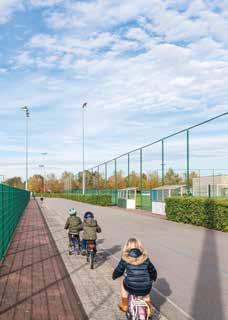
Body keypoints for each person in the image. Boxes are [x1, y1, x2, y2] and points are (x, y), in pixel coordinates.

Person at [112, 238, 157, 317]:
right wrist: (153, 278)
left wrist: (114, 276)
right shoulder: (145, 258)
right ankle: (148, 309)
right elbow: (152, 270)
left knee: (123, 280)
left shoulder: (125, 258)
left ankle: (124, 304)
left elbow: (119, 270)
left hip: (130, 287)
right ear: (140, 247)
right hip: (145, 288)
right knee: (146, 293)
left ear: (126, 247)